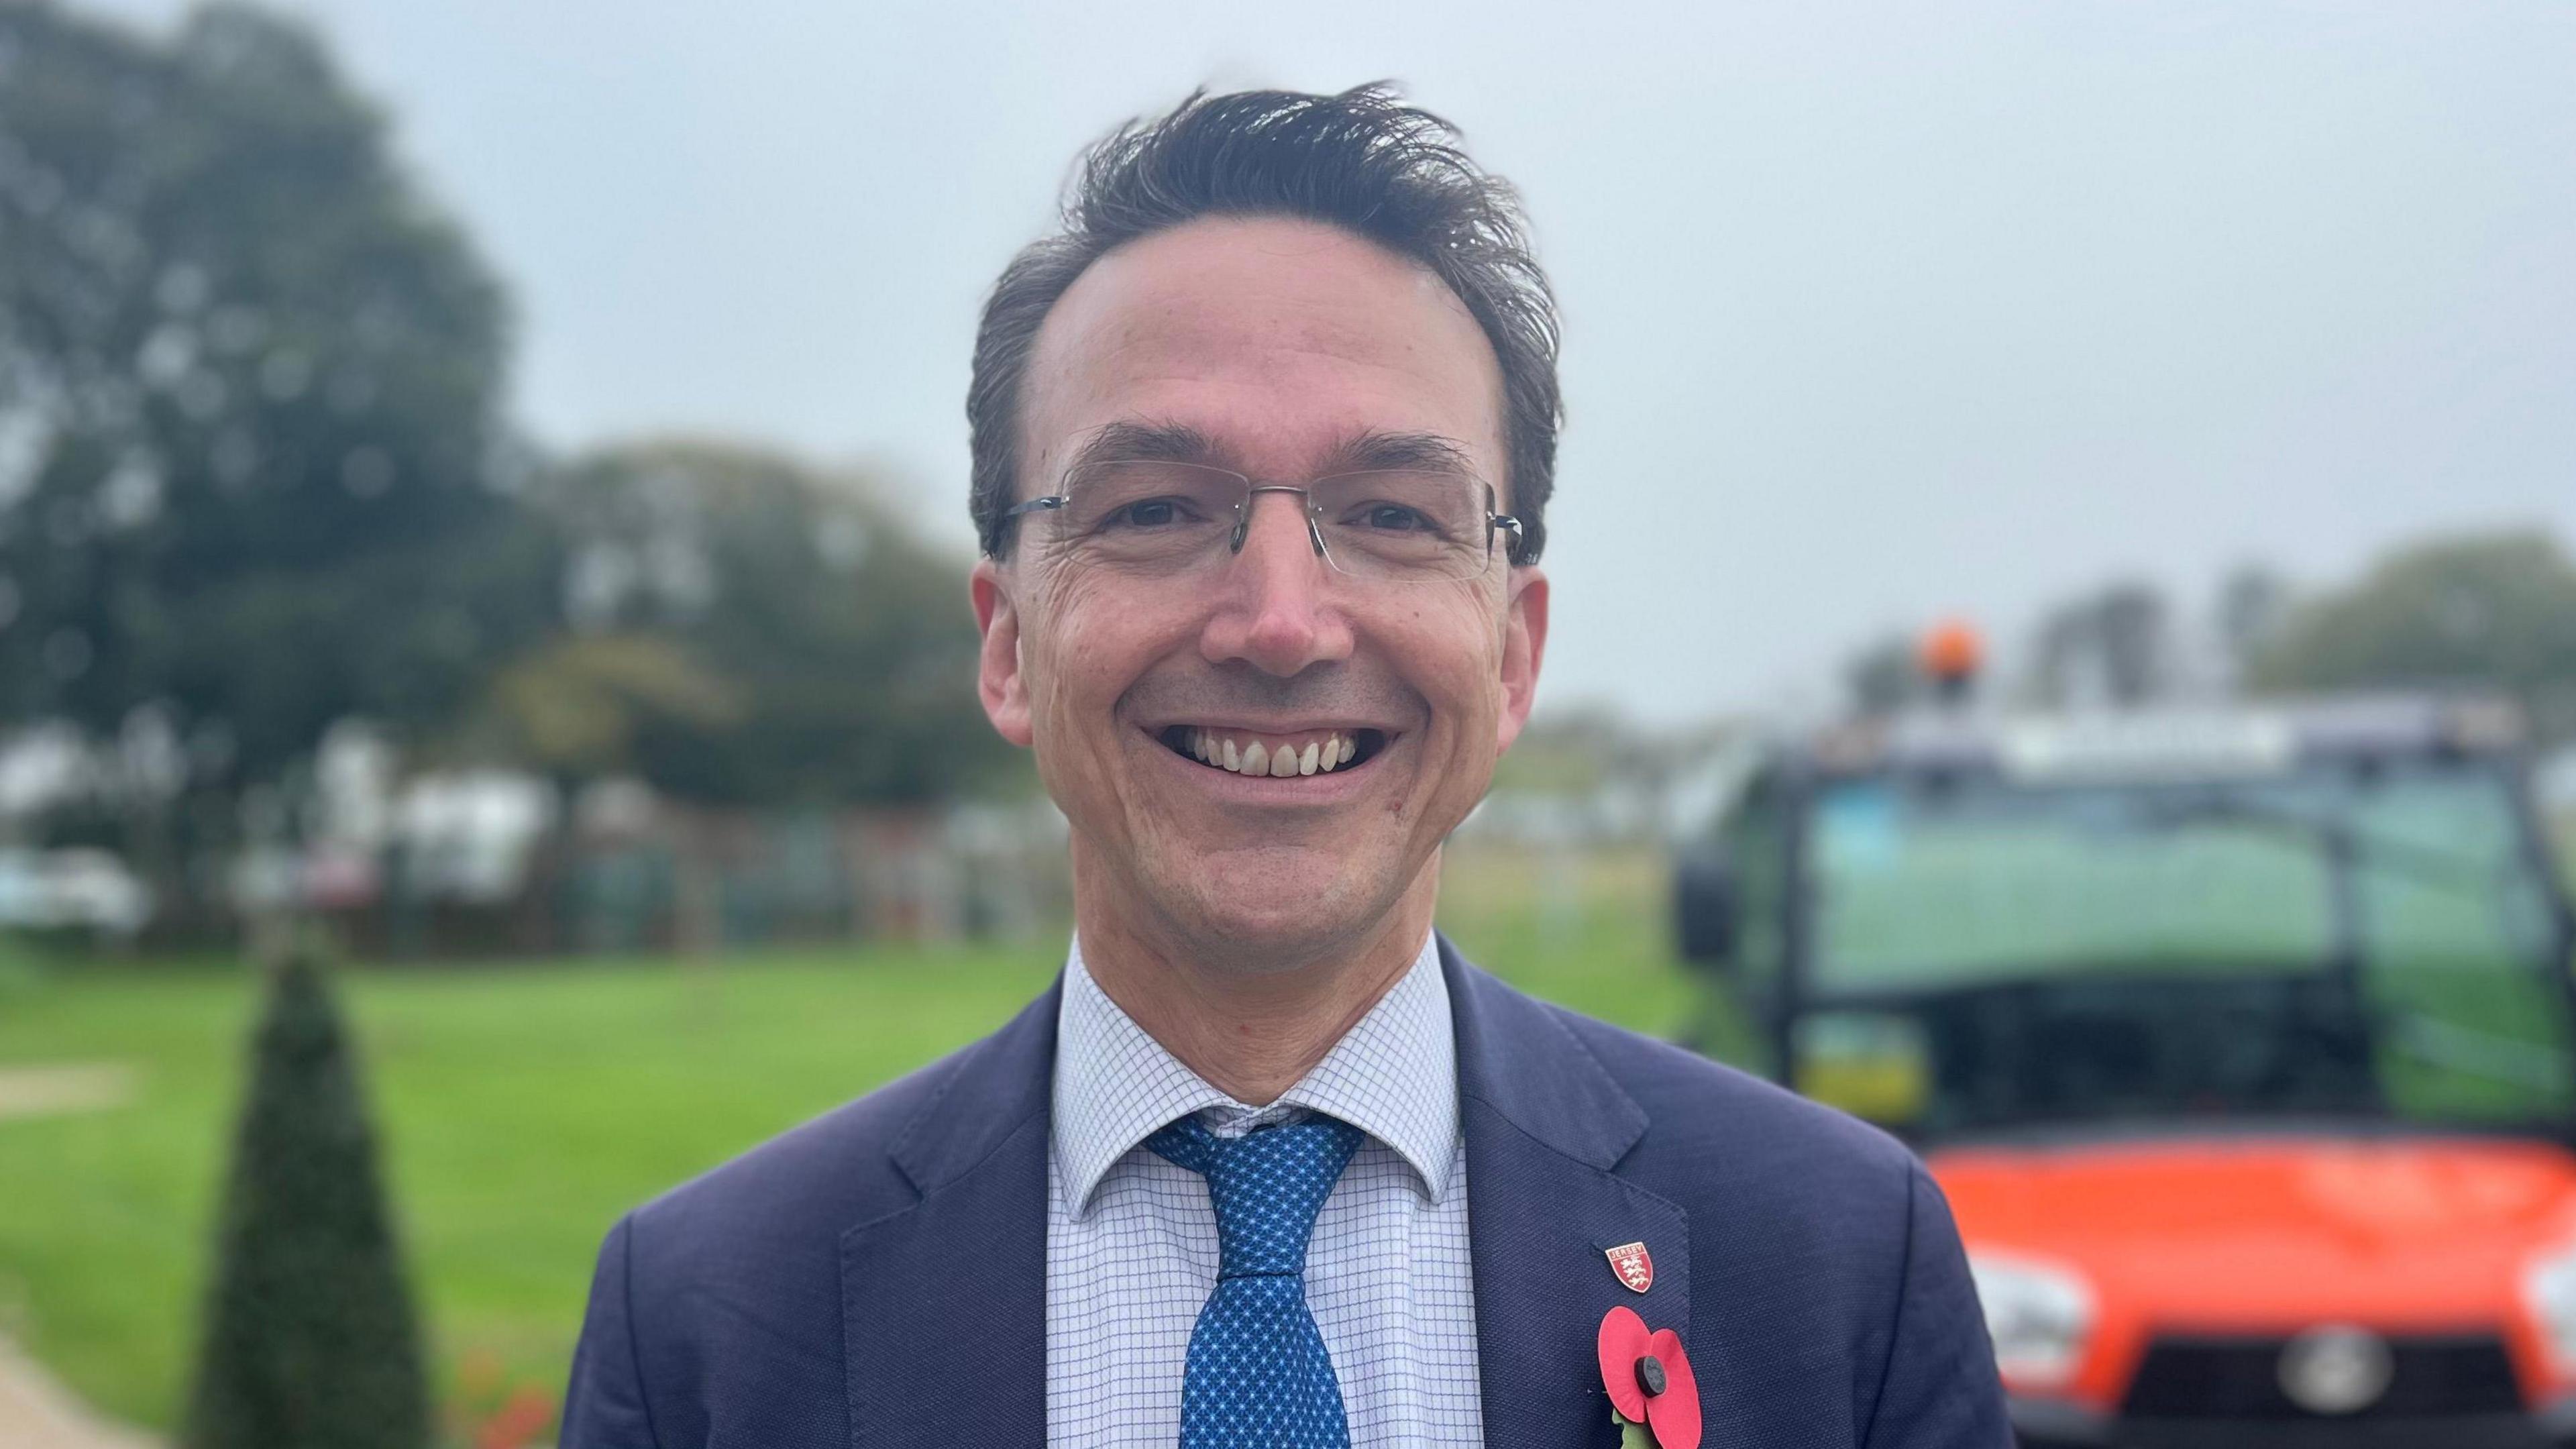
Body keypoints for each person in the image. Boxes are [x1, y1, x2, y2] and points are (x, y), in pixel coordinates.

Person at [561, 85, 2008, 1448]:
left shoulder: (1837, 1267)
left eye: (1389, 512)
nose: (1279, 622)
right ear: (1007, 644)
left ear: (1512, 655)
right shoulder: (705, 1327)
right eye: (1153, 509)